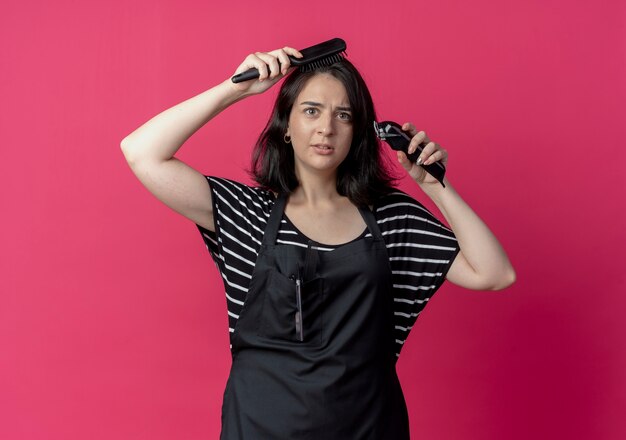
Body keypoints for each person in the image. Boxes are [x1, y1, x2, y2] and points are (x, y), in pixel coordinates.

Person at [121, 45, 516, 439]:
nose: (327, 127)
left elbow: (495, 273)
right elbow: (141, 152)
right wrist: (235, 89)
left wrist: (435, 185)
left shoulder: (392, 218)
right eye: (311, 111)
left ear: (358, 131)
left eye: (343, 115)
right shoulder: (245, 213)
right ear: (287, 126)